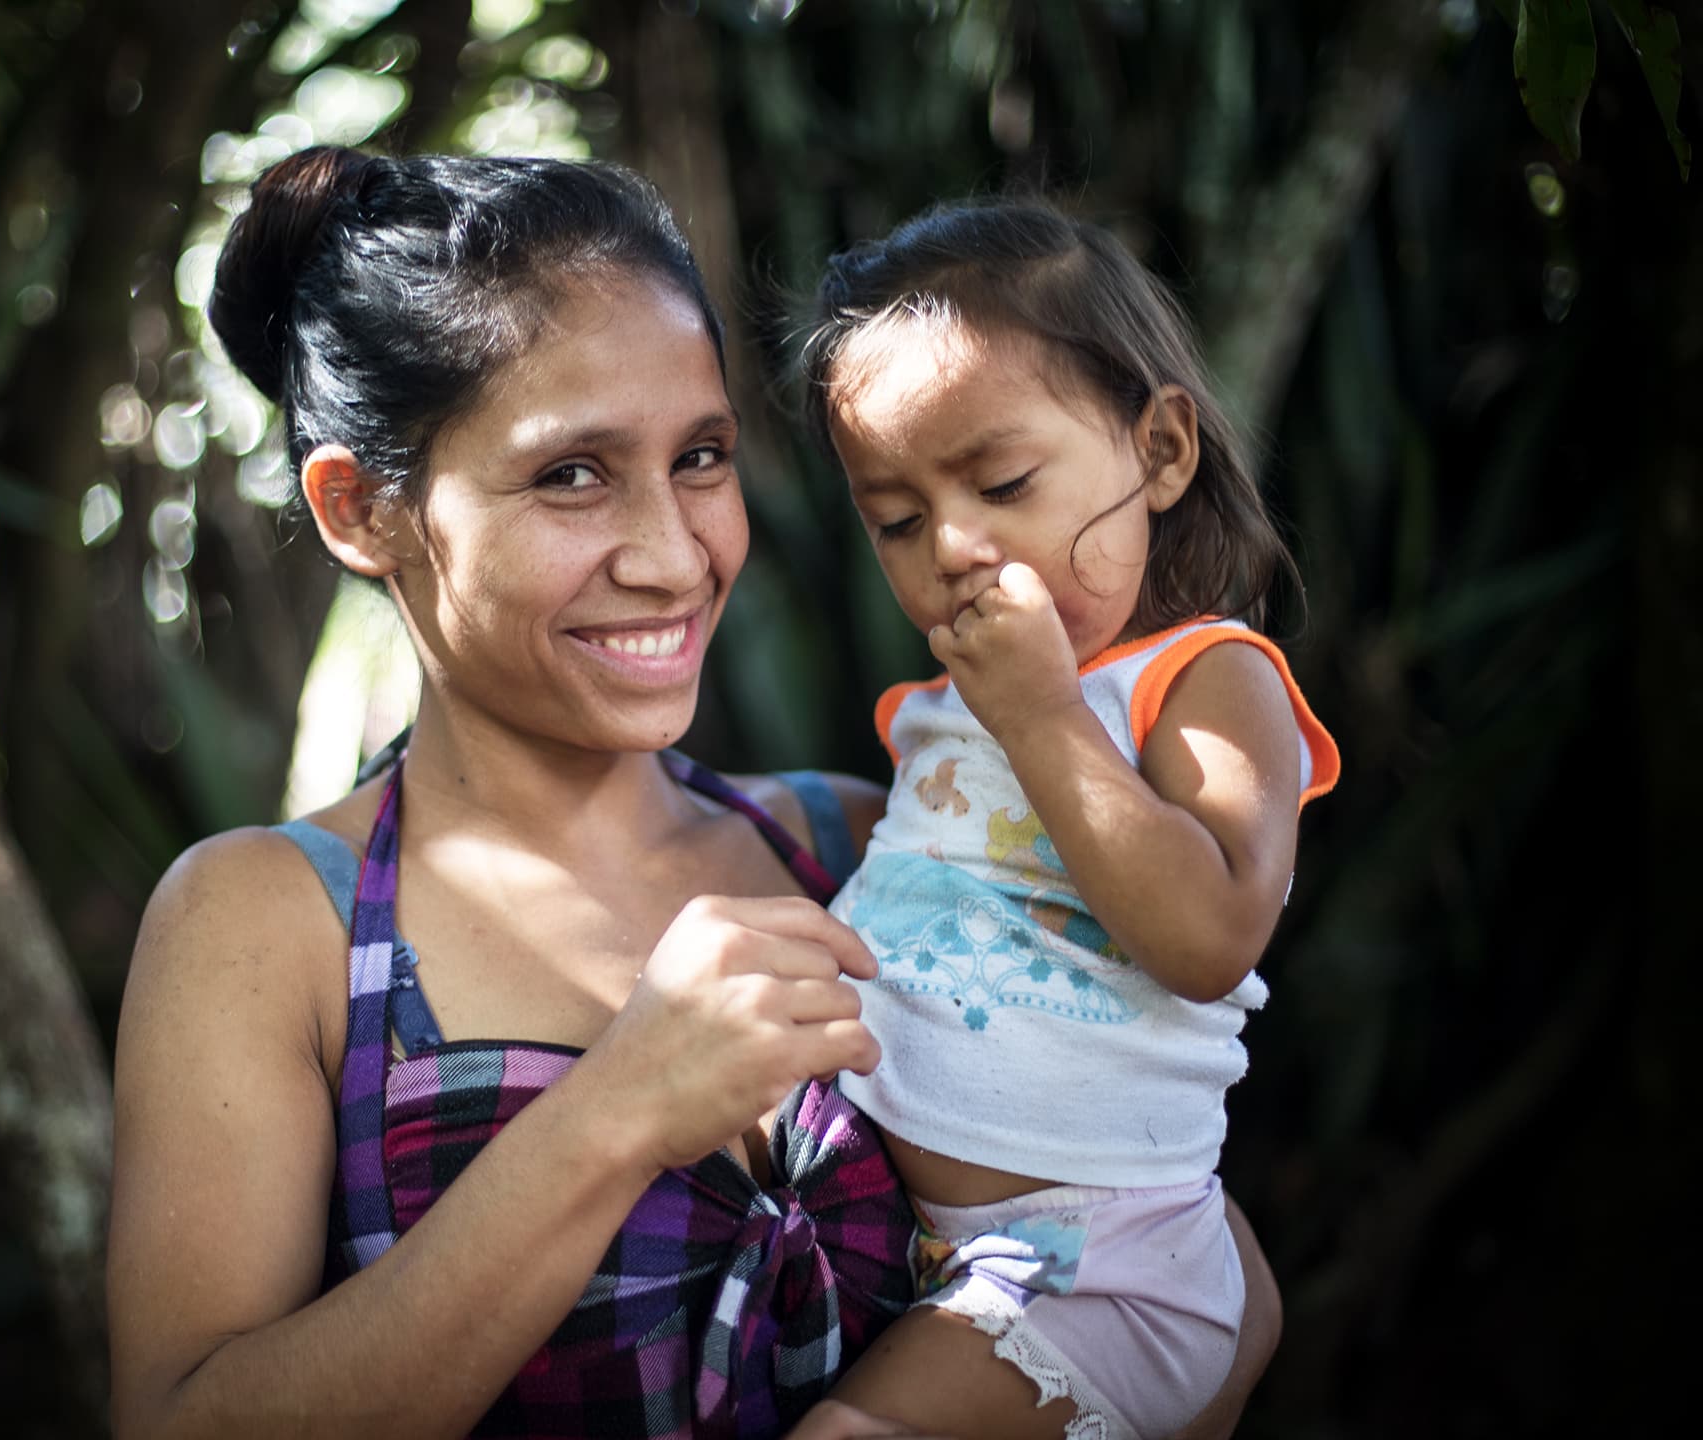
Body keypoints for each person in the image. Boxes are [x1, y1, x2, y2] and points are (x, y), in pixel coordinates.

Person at [104, 147, 1282, 1439]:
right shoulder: (269, 924)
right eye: (571, 474)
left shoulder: (859, 843)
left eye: (703, 457)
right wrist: (611, 1116)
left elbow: (1189, 1284)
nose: (672, 557)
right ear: (364, 511)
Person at [793, 202, 1339, 1440]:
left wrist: (1044, 717)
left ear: (1161, 450)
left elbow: (1209, 938)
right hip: (914, 1242)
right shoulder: (950, 707)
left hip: (1099, 1267)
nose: (954, 545)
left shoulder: (1206, 680)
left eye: (1003, 484)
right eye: (897, 518)